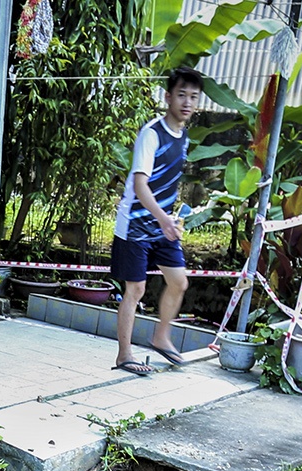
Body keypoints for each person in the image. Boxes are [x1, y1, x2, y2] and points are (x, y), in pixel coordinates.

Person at [110, 68, 203, 377]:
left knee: (179, 282)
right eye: (181, 95)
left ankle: (161, 336)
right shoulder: (152, 133)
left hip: (163, 225)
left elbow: (167, 185)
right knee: (135, 289)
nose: (187, 102)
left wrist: (169, 218)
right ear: (168, 97)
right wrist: (163, 219)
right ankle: (125, 355)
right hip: (136, 224)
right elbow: (140, 185)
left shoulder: (183, 136)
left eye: (193, 96)